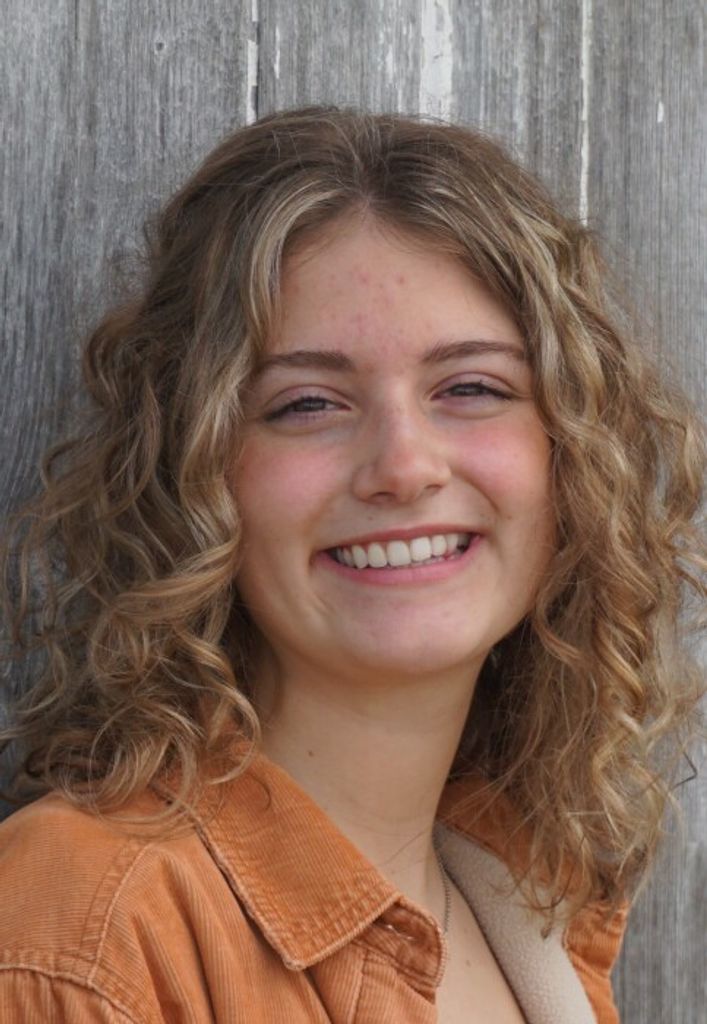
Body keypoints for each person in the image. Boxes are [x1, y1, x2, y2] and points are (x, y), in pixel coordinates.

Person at [0, 107, 703, 1024]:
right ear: (193, 472)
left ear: (571, 452)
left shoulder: (521, 904)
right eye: (307, 404)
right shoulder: (92, 934)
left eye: (471, 387)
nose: (404, 466)